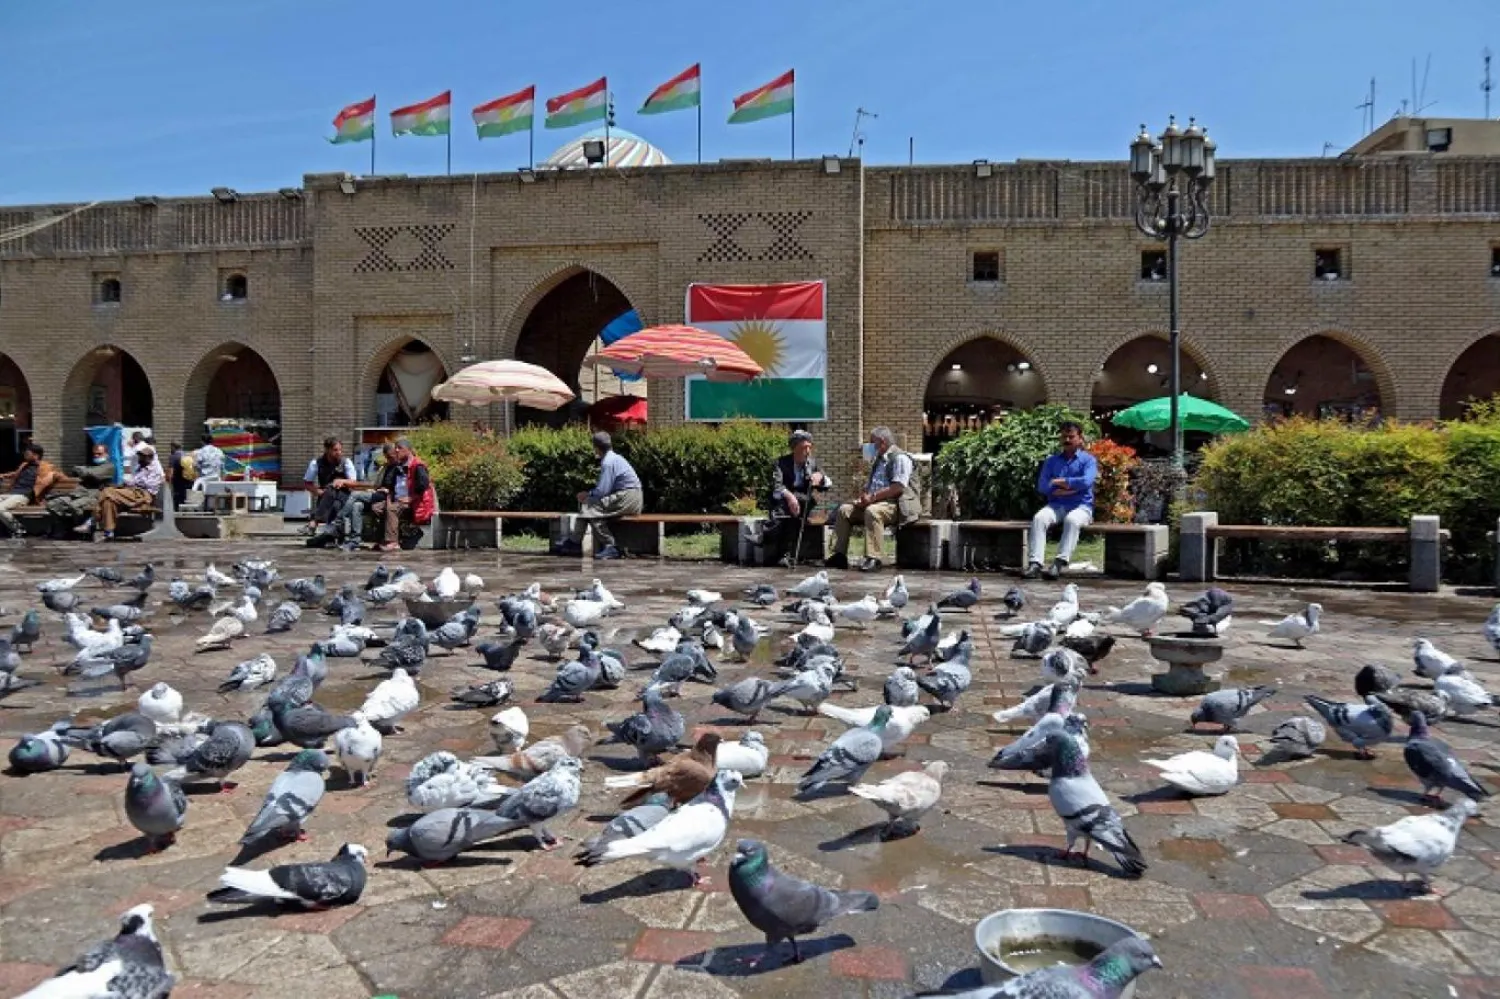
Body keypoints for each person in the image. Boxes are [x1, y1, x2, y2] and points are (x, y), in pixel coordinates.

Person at [828, 426, 921, 572]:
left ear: (882, 442)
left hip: (896, 505)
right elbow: (870, 486)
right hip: (875, 503)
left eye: (872, 442)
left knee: (872, 511)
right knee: (844, 510)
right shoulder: (878, 460)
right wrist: (863, 498)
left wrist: (872, 498)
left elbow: (897, 488)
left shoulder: (900, 458)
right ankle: (839, 555)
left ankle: (874, 558)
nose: (870, 446)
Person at [1025, 420, 1099, 580]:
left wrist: (1061, 482)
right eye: (1064, 436)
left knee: (1072, 520)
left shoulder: (1088, 460)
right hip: (1056, 504)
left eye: (1071, 437)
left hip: (1082, 507)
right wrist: (1069, 488)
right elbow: (1042, 486)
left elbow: (1087, 481)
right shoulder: (1051, 461)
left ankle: (1059, 563)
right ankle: (1035, 563)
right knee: (1039, 518)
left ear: (1080, 438)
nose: (1067, 440)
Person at [558, 432, 642, 560]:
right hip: (632, 497)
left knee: (589, 508)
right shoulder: (615, 458)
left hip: (627, 497)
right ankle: (574, 543)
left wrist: (588, 494)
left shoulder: (608, 462)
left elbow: (603, 490)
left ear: (596, 448)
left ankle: (608, 546)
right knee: (590, 507)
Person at [763, 430, 829, 568]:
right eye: (804, 447)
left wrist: (821, 479)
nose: (808, 451)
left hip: (804, 503)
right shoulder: (781, 463)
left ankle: (766, 535)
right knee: (788, 513)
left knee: (791, 508)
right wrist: (790, 496)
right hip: (787, 502)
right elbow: (776, 486)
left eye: (810, 447)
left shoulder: (812, 464)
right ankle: (783, 555)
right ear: (794, 448)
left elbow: (827, 483)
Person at [368, 437, 435, 552]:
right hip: (397, 499)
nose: (397, 451)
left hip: (415, 502)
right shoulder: (398, 466)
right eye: (396, 448)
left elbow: (424, 485)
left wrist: (411, 498)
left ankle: (393, 542)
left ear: (408, 450)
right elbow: (391, 483)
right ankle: (381, 539)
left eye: (400, 448)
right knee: (376, 508)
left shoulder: (417, 465)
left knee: (392, 509)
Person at [93, 444, 164, 541]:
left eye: (142, 456)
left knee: (107, 491)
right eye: (140, 455)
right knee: (108, 501)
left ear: (149, 458)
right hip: (133, 493)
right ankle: (108, 532)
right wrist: (123, 484)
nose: (140, 458)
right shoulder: (139, 468)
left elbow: (148, 485)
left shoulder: (155, 469)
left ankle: (92, 521)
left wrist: (131, 484)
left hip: (143, 496)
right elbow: (133, 482)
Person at [47, 443, 115, 532]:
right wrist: (84, 471)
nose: (96, 456)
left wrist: (84, 471)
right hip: (78, 494)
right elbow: (75, 470)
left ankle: (81, 527)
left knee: (74, 506)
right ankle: (65, 526)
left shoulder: (109, 466)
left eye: (99, 454)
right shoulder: (91, 465)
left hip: (95, 496)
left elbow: (94, 474)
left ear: (106, 454)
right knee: (53, 504)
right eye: (94, 454)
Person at [0, 443, 59, 538]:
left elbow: (57, 475)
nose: (24, 455)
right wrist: (3, 475)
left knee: (0, 508)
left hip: (24, 495)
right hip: (11, 493)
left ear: (36, 455)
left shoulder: (45, 467)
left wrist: (53, 476)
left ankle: (20, 529)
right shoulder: (24, 465)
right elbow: (15, 474)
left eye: (27, 453)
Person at [303, 436, 358, 533]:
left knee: (331, 488)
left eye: (340, 450)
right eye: (335, 450)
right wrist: (317, 491)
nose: (339, 453)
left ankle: (314, 521)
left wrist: (343, 481)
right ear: (327, 450)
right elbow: (307, 483)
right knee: (335, 503)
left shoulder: (346, 462)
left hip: (343, 494)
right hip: (325, 496)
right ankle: (331, 532)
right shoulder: (316, 463)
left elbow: (353, 482)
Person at [167, 441, 188, 509]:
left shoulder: (173, 456)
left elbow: (171, 470)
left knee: (176, 495)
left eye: (171, 447)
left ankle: (176, 509)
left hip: (177, 479)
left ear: (173, 447)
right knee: (183, 495)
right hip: (187, 479)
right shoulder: (186, 454)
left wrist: (169, 481)